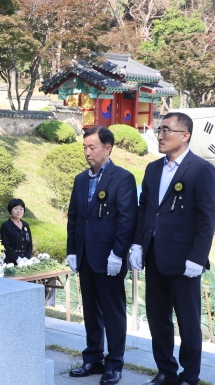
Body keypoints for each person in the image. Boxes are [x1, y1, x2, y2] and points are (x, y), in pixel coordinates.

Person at [129, 112, 215, 385]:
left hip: (184, 260)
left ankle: (189, 376)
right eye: (159, 130)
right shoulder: (153, 169)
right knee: (157, 318)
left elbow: (208, 217)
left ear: (185, 135)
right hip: (154, 255)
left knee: (188, 321)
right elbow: (144, 209)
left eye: (166, 130)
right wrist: (137, 244)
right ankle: (166, 371)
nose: (160, 135)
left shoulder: (201, 169)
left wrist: (197, 257)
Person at [66, 126, 138, 385]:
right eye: (85, 147)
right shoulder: (80, 179)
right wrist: (72, 251)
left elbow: (127, 220)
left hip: (109, 258)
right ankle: (93, 359)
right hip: (85, 254)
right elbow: (74, 217)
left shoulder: (123, 178)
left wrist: (118, 253)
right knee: (91, 311)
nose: (87, 152)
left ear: (108, 148)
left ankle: (114, 364)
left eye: (92, 147)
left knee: (113, 312)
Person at [0, 198, 32, 265]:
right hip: (11, 261)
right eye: (16, 208)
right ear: (10, 210)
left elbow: (29, 244)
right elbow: (6, 245)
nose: (18, 211)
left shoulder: (25, 225)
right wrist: (17, 259)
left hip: (25, 261)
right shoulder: (6, 226)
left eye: (21, 209)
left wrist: (26, 258)